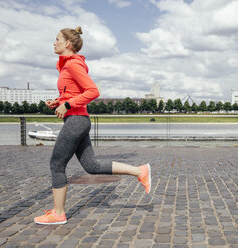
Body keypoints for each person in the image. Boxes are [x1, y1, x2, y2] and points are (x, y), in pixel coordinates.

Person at [34, 26, 151, 225]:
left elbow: (93, 91)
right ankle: (140, 171)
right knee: (92, 166)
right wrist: (59, 101)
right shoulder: (67, 65)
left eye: (56, 39)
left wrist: (68, 104)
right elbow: (74, 92)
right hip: (78, 120)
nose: (54, 43)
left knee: (56, 164)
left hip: (76, 121)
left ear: (67, 44)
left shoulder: (72, 65)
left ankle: (58, 213)